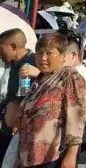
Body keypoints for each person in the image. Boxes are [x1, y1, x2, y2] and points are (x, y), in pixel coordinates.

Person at [13, 33, 86, 168]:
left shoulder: (69, 76)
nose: (43, 58)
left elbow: (77, 118)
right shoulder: (42, 79)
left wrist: (71, 155)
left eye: (49, 53)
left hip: (51, 156)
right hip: (28, 156)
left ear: (62, 56)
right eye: (39, 53)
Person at [0, 29, 35, 162]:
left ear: (13, 47)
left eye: (1, 49)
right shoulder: (13, 64)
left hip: (19, 131)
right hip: (7, 126)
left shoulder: (31, 64)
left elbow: (26, 97)